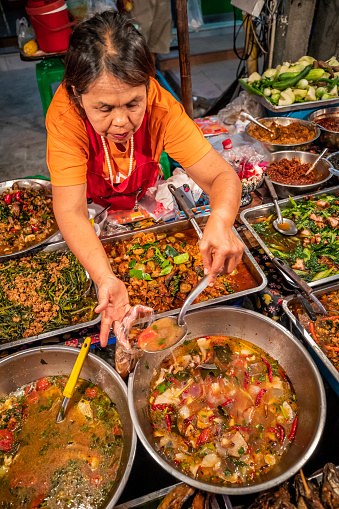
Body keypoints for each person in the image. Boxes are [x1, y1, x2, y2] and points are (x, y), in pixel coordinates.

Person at [46, 10, 244, 348]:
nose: (121, 122)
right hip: (91, 199)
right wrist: (105, 277)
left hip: (143, 187)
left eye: (133, 103)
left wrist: (222, 220)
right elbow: (71, 211)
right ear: (78, 94)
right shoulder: (66, 117)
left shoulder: (162, 107)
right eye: (105, 108)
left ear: (148, 86)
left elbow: (221, 175)